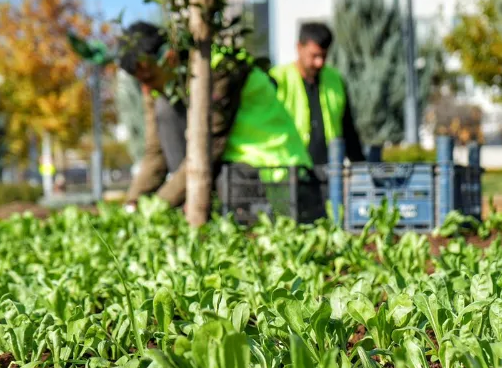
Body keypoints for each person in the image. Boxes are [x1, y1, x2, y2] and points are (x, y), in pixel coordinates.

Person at [119, 21, 323, 220]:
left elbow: (209, 148)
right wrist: (133, 202)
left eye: (149, 79)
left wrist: (159, 206)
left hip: (275, 172)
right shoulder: (166, 85)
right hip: (237, 168)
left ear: (170, 58)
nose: (146, 89)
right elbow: (156, 152)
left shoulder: (219, 68)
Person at [269, 22, 365, 170]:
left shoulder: (335, 80)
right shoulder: (278, 80)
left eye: (324, 56)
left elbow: (348, 131)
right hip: (289, 174)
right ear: (299, 48)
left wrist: (361, 168)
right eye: (314, 56)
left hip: (329, 174)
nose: (319, 62)